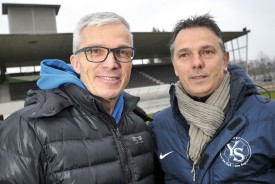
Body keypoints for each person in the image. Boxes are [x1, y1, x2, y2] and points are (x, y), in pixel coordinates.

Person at [0, 12, 156, 184]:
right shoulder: (25, 130)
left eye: (123, 52)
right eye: (95, 51)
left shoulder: (140, 123)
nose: (111, 64)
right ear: (76, 63)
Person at [149, 14, 275, 183]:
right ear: (175, 67)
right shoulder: (159, 127)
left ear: (224, 61)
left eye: (207, 52)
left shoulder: (270, 117)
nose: (197, 62)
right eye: (184, 55)